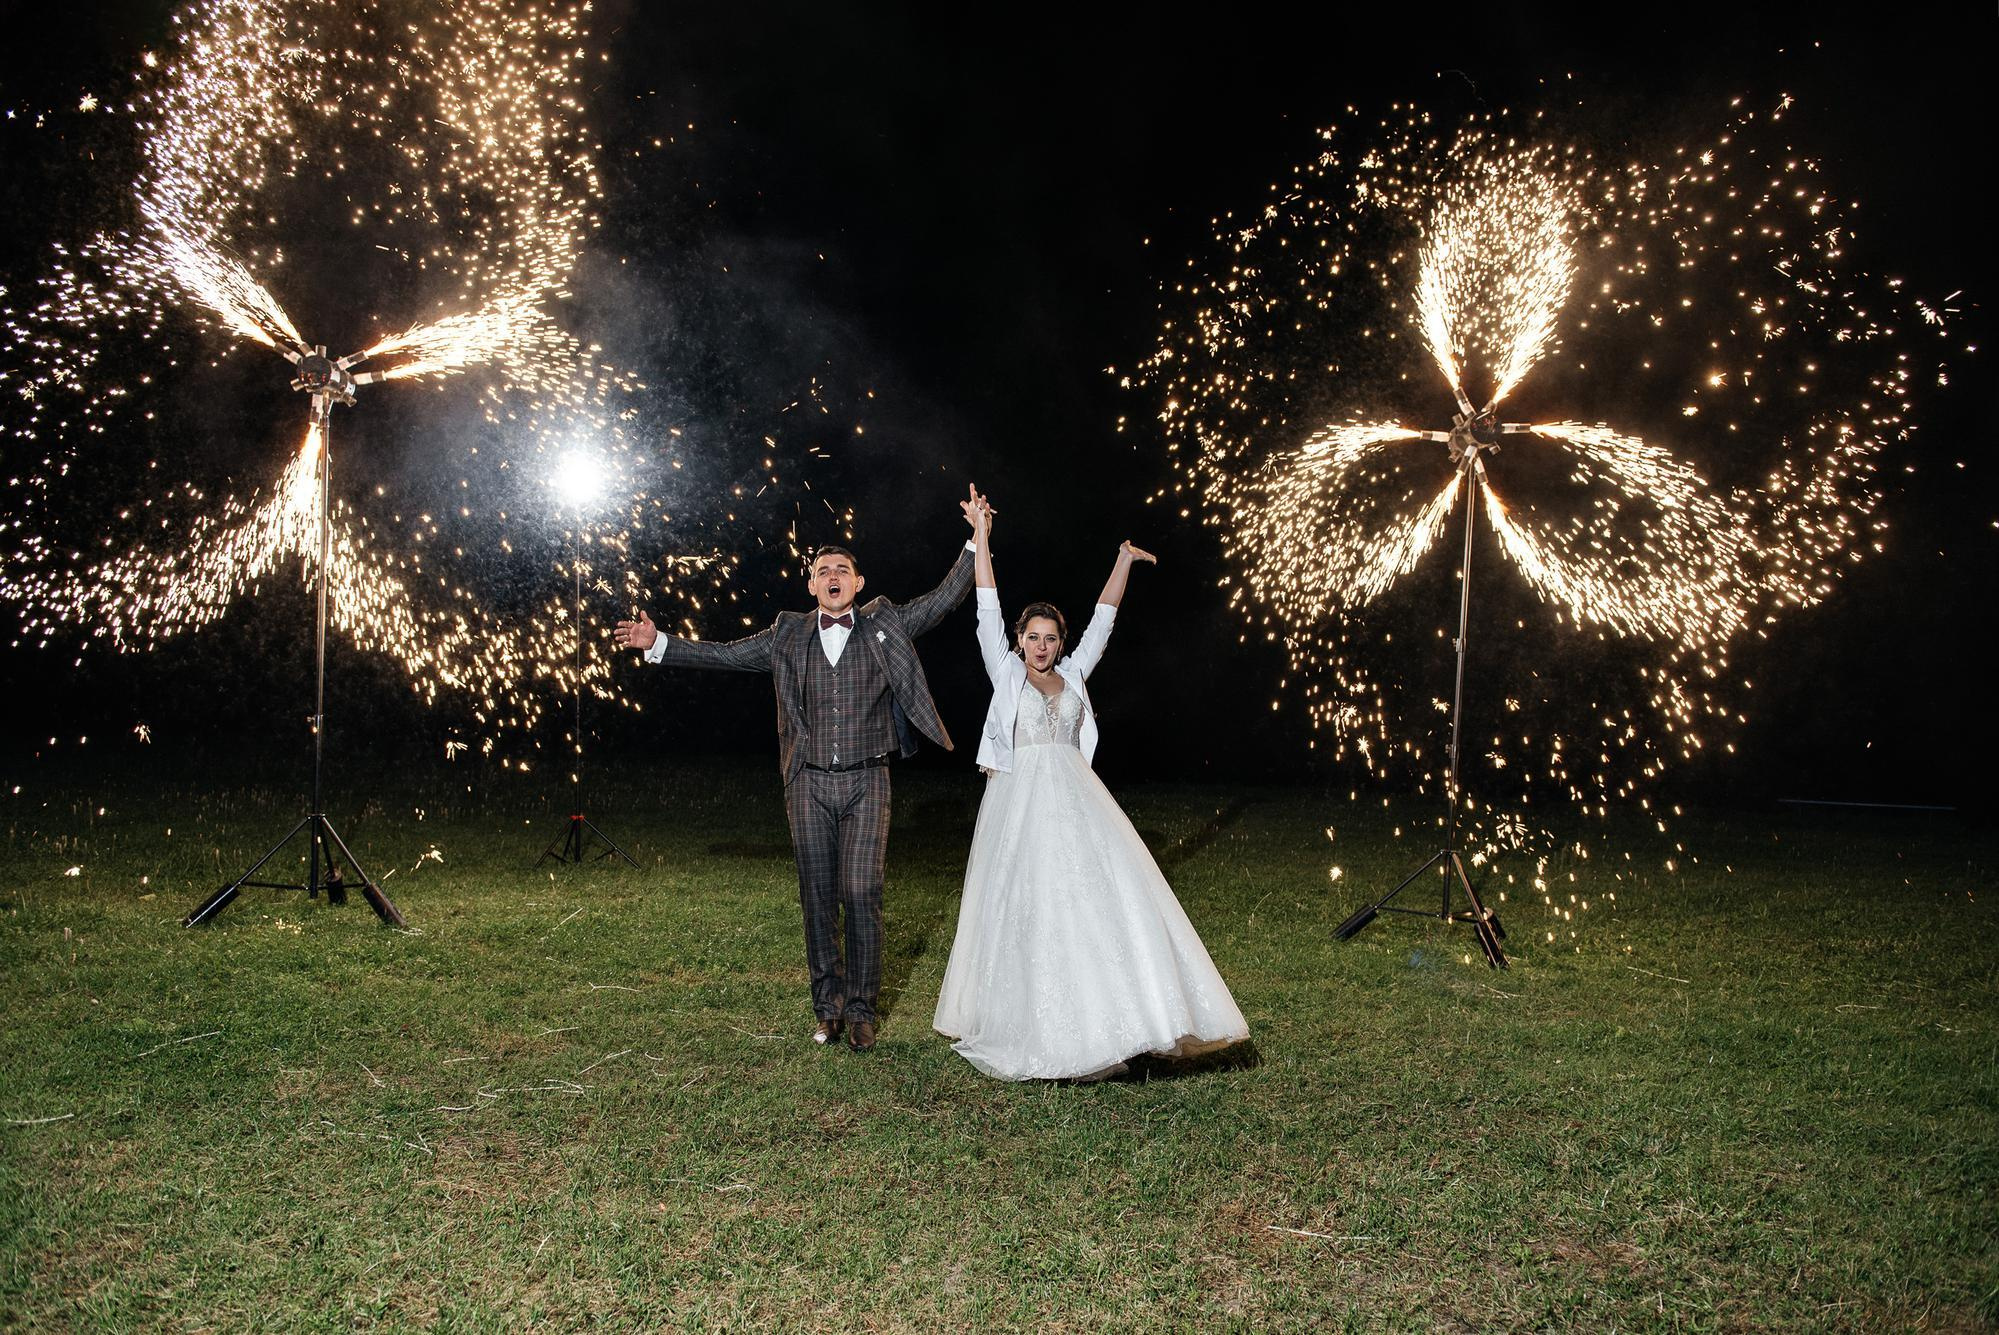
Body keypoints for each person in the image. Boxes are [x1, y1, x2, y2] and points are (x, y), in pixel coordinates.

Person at [613, 490, 986, 1053]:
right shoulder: (787, 634)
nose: (832, 576)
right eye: (821, 571)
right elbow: (728, 655)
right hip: (808, 783)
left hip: (868, 781)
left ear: (858, 583)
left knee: (861, 892)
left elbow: (942, 600)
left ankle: (862, 1012)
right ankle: (828, 1009)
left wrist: (977, 536)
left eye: (842, 569)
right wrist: (659, 643)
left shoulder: (886, 624)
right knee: (817, 896)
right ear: (811, 586)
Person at [932, 490, 1249, 1080]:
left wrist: (1123, 561)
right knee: (1032, 906)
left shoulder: (1075, 674)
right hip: (1021, 802)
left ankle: (1116, 1022)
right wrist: (982, 538)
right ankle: (1041, 1025)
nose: (1042, 647)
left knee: (1094, 901)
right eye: (1033, 637)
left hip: (1077, 801)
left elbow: (1104, 619)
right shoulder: (1004, 673)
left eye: (1051, 638)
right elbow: (986, 607)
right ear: (1020, 641)